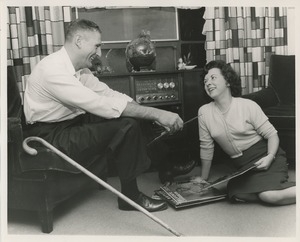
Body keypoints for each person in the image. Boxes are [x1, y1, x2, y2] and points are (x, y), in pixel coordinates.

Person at [23, 19, 185, 212]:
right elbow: (100, 105)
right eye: (97, 46)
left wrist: (149, 113)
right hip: (49, 137)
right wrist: (158, 114)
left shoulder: (79, 70)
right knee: (127, 124)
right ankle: (129, 198)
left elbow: (107, 93)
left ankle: (166, 165)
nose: (99, 53)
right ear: (79, 41)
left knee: (135, 114)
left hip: (71, 124)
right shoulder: (52, 70)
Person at [194, 60, 295, 205]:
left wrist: (270, 157)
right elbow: (206, 147)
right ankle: (269, 190)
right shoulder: (203, 112)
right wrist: (203, 178)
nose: (208, 83)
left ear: (228, 81)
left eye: (213, 78)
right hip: (244, 167)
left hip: (266, 156)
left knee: (269, 196)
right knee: (237, 195)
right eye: (205, 81)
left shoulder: (247, 105)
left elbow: (272, 135)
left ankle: (274, 190)